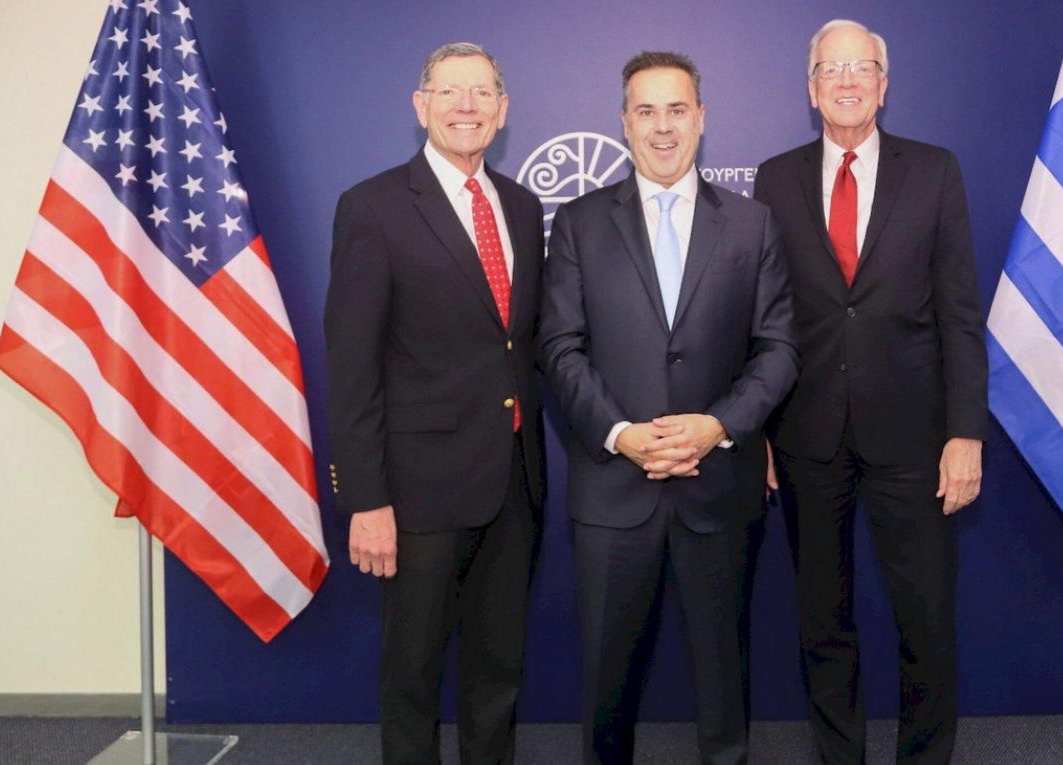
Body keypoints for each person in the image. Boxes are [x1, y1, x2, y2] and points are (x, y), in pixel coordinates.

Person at [539, 50, 798, 765]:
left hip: (719, 489)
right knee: (607, 687)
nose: (662, 127)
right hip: (614, 492)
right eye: (646, 111)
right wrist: (620, 433)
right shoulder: (579, 223)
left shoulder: (752, 224)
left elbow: (779, 348)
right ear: (624, 123)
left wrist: (719, 425)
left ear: (701, 118)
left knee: (724, 687)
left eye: (677, 109)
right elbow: (558, 346)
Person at [753, 19, 988, 765]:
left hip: (915, 438)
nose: (847, 80)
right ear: (811, 88)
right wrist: (758, 430)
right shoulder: (775, 178)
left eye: (862, 67)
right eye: (832, 68)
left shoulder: (935, 170)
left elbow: (960, 312)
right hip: (806, 435)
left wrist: (966, 431)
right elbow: (763, 318)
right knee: (823, 620)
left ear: (884, 86)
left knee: (926, 618)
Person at [324, 43, 545, 765]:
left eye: (482, 93)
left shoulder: (522, 206)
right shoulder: (372, 207)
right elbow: (352, 367)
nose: (467, 106)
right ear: (421, 106)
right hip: (418, 492)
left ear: (503, 110)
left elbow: (521, 343)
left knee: (498, 673)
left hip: (513, 481)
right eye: (450, 92)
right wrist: (366, 498)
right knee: (412, 675)